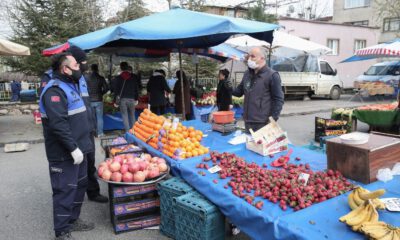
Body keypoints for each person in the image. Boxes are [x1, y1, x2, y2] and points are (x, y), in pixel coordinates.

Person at [39, 52, 94, 240]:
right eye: (76, 65)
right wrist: (72, 148)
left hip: (81, 148)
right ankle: (61, 231)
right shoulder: (54, 90)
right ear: (65, 69)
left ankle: (73, 220)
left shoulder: (71, 85)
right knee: (65, 190)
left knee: (80, 185)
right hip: (64, 153)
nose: (80, 68)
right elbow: (58, 124)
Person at [67, 46, 108, 204]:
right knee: (74, 166)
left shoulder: (82, 78)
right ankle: (72, 201)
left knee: (90, 163)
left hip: (87, 128)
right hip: (74, 132)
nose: (85, 64)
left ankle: (93, 192)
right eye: (82, 61)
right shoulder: (61, 81)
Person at [233, 47, 284, 132]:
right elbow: (239, 92)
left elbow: (278, 99)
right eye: (248, 57)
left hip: (263, 123)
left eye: (252, 56)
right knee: (249, 144)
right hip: (247, 121)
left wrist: (272, 120)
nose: (249, 59)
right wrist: (227, 86)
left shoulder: (272, 75)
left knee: (260, 145)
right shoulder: (247, 74)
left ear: (262, 58)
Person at [114, 62, 139, 132]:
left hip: (122, 100)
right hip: (132, 99)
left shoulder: (118, 78)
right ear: (127, 67)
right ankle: (134, 131)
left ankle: (128, 132)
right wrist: (137, 98)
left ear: (121, 68)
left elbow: (116, 90)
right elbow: (136, 89)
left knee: (124, 116)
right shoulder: (134, 77)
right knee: (132, 115)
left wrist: (115, 101)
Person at [86, 64, 108, 137]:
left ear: (91, 69)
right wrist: (101, 93)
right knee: (99, 117)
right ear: (97, 69)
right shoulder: (101, 78)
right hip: (99, 99)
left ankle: (92, 133)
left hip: (90, 100)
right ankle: (100, 133)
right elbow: (106, 88)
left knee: (91, 117)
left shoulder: (86, 78)